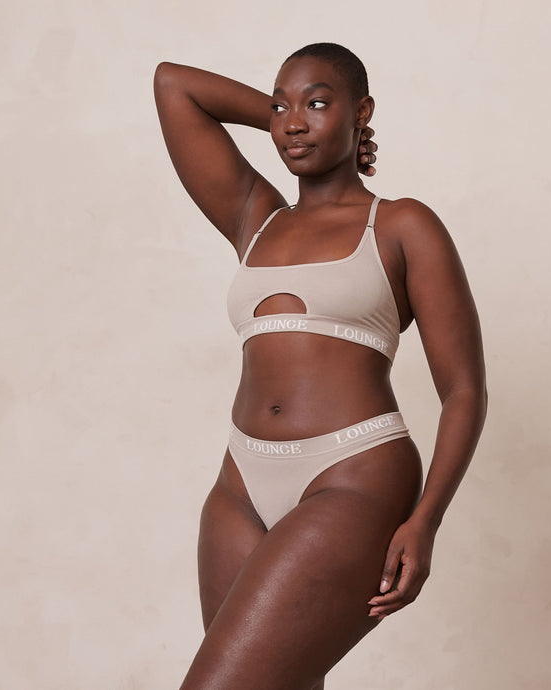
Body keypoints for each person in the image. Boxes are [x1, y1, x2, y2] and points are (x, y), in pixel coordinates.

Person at [153, 42, 487, 690]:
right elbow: (174, 86)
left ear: (363, 112)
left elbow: (464, 390)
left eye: (317, 103)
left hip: (353, 478)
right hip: (240, 488)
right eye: (282, 107)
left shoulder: (402, 225)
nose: (293, 123)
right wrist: (290, 116)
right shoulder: (256, 217)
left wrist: (427, 519)